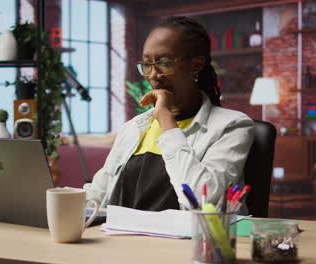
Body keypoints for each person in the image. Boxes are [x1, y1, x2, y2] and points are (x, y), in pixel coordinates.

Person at [84, 16, 254, 212]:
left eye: (164, 63)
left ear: (196, 64)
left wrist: (166, 119)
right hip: (125, 241)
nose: (153, 75)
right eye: (147, 64)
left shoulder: (232, 126)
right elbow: (98, 195)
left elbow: (201, 201)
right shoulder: (133, 129)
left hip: (188, 242)